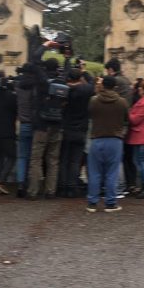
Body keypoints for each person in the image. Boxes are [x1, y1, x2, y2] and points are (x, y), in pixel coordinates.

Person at [86, 75, 130, 212]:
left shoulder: (94, 100)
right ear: (115, 86)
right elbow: (127, 119)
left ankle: (92, 203)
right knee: (112, 173)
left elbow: (90, 114)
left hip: (97, 138)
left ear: (103, 85)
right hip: (115, 139)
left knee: (94, 172)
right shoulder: (122, 102)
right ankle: (110, 203)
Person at [27, 56, 66, 199]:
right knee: (53, 160)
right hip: (57, 125)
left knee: (36, 159)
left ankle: (33, 191)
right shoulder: (62, 82)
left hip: (42, 125)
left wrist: (44, 46)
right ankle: (50, 191)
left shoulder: (42, 82)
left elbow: (34, 61)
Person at [58, 68, 94, 197]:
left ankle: (62, 186)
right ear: (80, 78)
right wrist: (84, 71)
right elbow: (92, 82)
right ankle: (72, 187)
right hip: (81, 130)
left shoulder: (64, 90)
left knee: (63, 159)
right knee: (75, 161)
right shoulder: (86, 90)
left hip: (66, 128)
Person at [104, 58, 135, 195]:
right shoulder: (126, 81)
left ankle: (118, 186)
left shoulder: (116, 81)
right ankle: (126, 185)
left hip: (115, 123)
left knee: (115, 157)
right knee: (121, 155)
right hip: (124, 122)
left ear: (111, 70)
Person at [0, 70, 18, 194]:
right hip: (6, 132)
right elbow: (16, 109)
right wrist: (13, 87)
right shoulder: (9, 95)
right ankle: (1, 182)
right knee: (12, 156)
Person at [14, 63, 37, 197]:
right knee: (33, 157)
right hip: (34, 125)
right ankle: (30, 183)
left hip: (22, 124)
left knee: (22, 156)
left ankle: (20, 183)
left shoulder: (18, 86)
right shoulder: (35, 87)